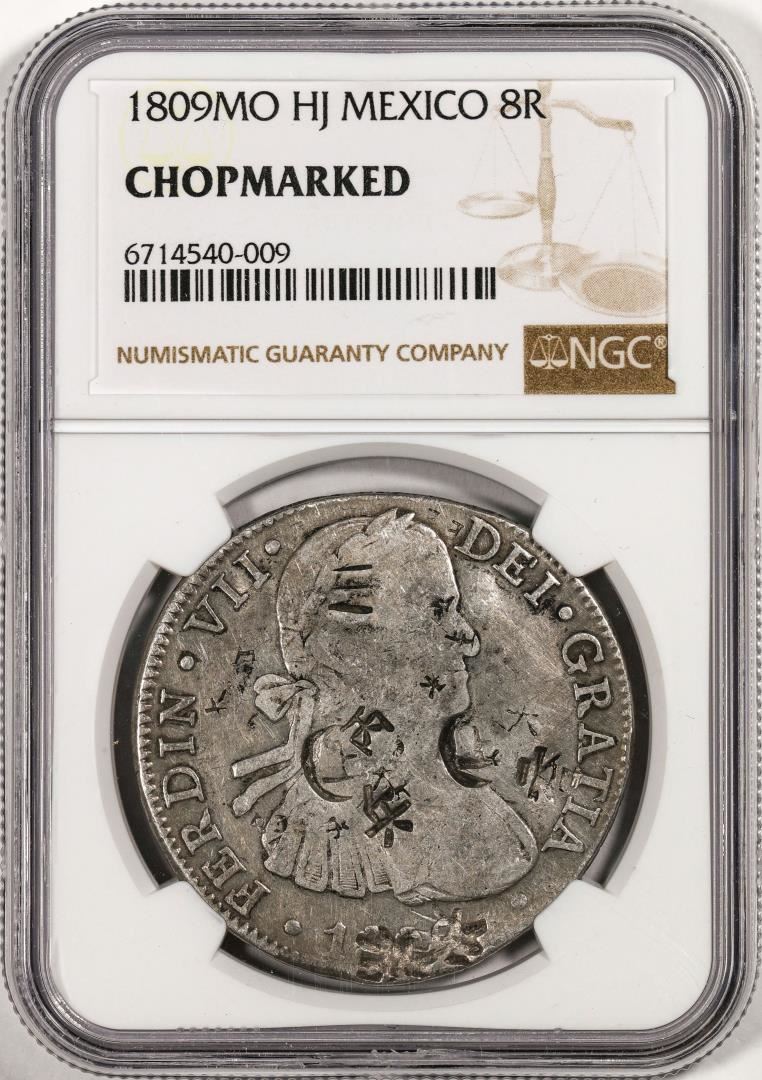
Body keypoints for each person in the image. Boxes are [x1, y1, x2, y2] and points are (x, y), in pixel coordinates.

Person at [230, 507, 538, 904]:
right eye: (438, 612)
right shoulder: (338, 836)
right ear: (344, 651)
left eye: (455, 610)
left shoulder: (477, 812)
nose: (469, 639)